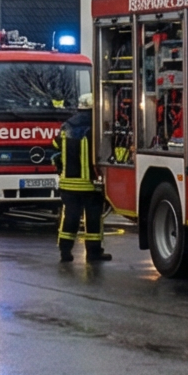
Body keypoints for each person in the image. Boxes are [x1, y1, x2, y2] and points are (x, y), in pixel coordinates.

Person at [57, 91, 107, 263]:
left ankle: (65, 252)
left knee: (70, 218)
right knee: (93, 220)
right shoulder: (97, 125)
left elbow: (55, 146)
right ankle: (93, 254)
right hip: (91, 184)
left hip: (68, 184)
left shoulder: (67, 125)